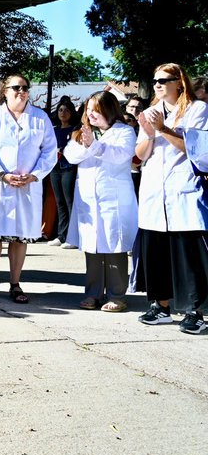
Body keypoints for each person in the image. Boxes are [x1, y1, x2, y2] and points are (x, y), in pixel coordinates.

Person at [0, 75, 58, 304]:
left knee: (20, 236)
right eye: (16, 87)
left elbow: (50, 151)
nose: (21, 91)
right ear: (5, 91)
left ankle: (15, 284)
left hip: (28, 186)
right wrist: (2, 174)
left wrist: (34, 175)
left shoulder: (40, 118)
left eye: (25, 88)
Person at [134, 63, 208, 332]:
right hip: (154, 191)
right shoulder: (150, 112)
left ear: (179, 82)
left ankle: (195, 311)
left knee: (188, 257)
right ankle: (160, 306)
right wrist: (151, 132)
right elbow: (141, 154)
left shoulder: (197, 110)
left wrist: (164, 129)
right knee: (156, 254)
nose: (157, 85)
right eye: (155, 81)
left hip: (183, 191)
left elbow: (196, 150)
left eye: (164, 80)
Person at [63, 92, 137, 312]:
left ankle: (117, 295)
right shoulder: (81, 133)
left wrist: (93, 146)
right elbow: (70, 156)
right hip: (88, 197)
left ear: (109, 109)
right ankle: (93, 294)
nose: (91, 114)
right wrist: (87, 144)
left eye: (96, 109)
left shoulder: (124, 132)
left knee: (114, 245)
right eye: (88, 109)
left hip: (113, 198)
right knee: (92, 247)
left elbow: (120, 155)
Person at [49, 96, 79, 249]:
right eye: (60, 110)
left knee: (70, 202)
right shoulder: (53, 129)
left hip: (69, 167)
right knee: (59, 202)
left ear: (72, 112)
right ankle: (62, 235)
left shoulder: (75, 129)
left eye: (67, 110)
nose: (63, 113)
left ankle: (73, 237)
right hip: (55, 168)